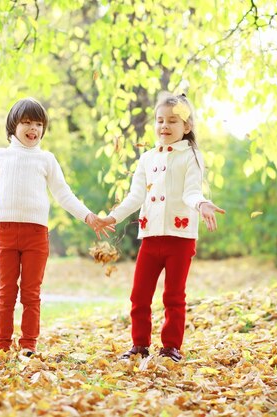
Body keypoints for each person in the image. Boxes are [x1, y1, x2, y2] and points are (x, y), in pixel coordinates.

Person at [0, 97, 112, 359]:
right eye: (27, 122)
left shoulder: (47, 160)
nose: (33, 128)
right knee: (6, 292)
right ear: (13, 125)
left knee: (30, 293)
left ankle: (28, 345)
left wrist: (89, 217)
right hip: (6, 233)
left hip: (36, 236)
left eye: (38, 123)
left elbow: (64, 194)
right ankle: (1, 344)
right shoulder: (0, 157)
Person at [99, 92, 225, 362]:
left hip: (180, 238)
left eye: (172, 121)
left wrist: (202, 204)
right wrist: (114, 217)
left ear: (186, 127)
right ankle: (139, 345)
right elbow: (136, 196)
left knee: (173, 296)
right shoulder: (147, 159)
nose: (164, 126)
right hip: (151, 236)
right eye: (160, 121)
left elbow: (191, 191)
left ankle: (170, 347)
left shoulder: (190, 155)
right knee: (139, 295)